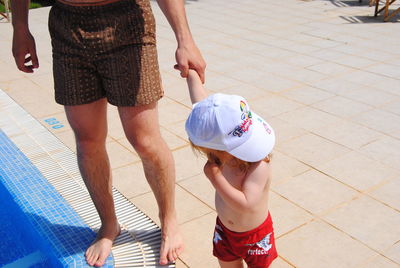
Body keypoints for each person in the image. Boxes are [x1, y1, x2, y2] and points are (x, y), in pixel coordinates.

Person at [11, 0, 206, 266]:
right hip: (68, 24)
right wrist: (20, 26)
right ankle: (108, 225)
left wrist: (185, 39)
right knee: (87, 140)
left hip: (126, 21)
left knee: (145, 141)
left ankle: (169, 220)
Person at [184, 69, 278, 268]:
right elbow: (200, 105)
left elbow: (246, 203)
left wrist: (215, 178)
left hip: (255, 237)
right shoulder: (220, 154)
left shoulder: (259, 165)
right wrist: (191, 74)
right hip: (225, 230)